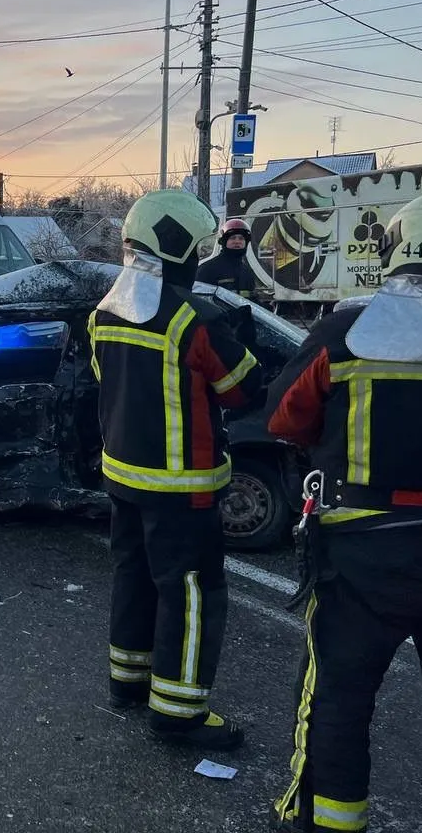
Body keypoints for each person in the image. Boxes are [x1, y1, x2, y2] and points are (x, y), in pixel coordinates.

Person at [267, 187, 422, 833]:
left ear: (398, 248)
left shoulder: (348, 332)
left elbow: (284, 419)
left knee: (337, 700)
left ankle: (329, 825)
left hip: (362, 559)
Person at [87, 188, 263, 752]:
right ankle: (180, 711)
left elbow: (105, 379)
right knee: (190, 592)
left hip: (122, 477)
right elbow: (243, 392)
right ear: (181, 247)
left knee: (132, 577)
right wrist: (244, 337)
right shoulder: (194, 319)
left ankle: (128, 682)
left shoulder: (103, 311)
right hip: (183, 488)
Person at [196, 217, 257, 298]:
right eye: (233, 238)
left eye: (241, 238)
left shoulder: (247, 271)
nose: (237, 241)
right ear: (224, 242)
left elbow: (252, 299)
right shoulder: (207, 270)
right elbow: (198, 301)